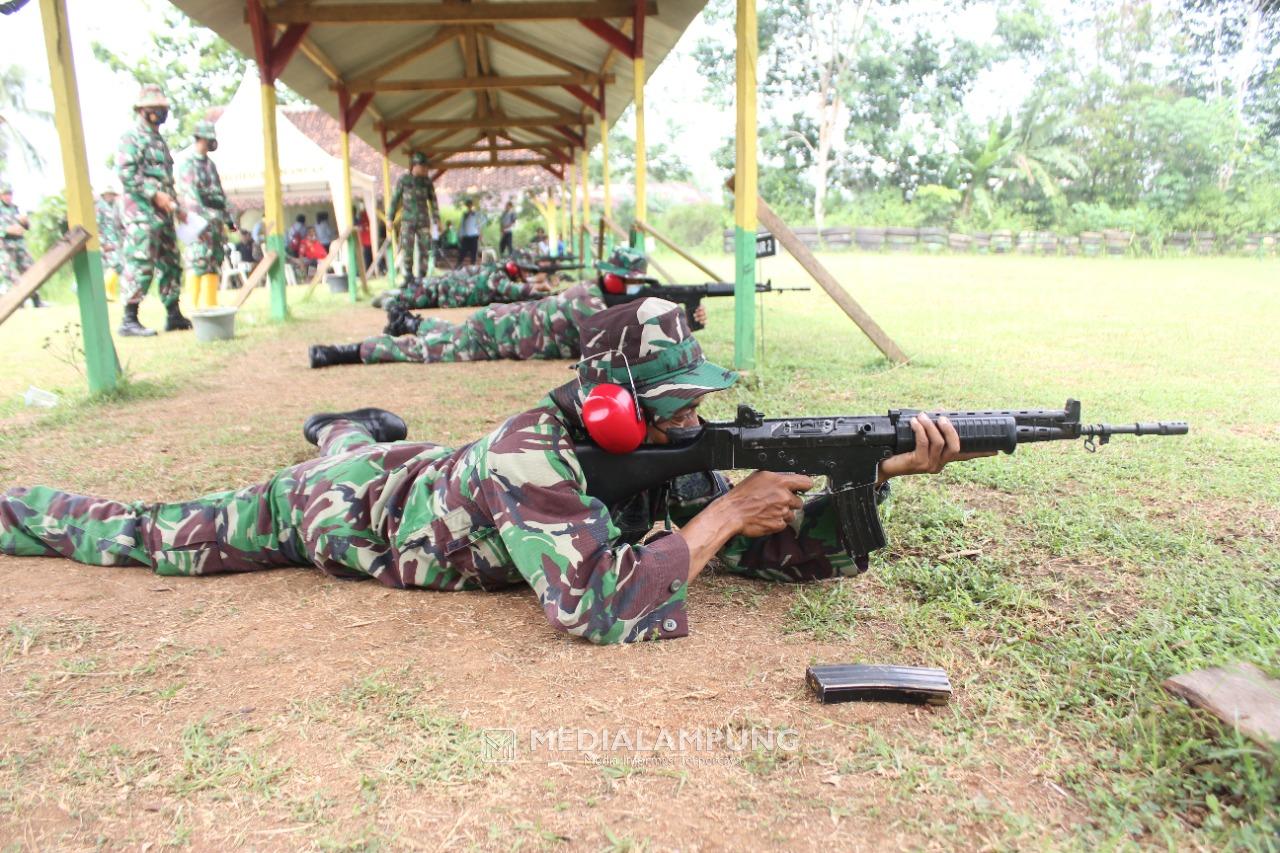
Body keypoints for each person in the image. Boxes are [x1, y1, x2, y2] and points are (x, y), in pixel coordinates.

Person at [0, 298, 981, 644]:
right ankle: (17, 507)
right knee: (161, 535)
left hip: (427, 473)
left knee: (376, 452)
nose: (695, 417)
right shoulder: (531, 455)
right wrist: (723, 515)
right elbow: (596, 608)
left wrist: (874, 472)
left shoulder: (651, 450)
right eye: (675, 402)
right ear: (612, 404)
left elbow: (774, 556)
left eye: (696, 398)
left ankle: (348, 431)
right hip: (344, 511)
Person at [307, 246, 698, 368]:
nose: (630, 288)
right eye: (627, 282)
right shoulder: (588, 304)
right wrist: (677, 321)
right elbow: (621, 344)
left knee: (449, 334)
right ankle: (340, 352)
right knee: (419, 352)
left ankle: (410, 322)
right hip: (494, 336)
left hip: (493, 323)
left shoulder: (592, 295)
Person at [115, 84, 188, 336]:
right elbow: (127, 174)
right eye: (155, 108)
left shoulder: (160, 142)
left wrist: (176, 205)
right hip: (141, 213)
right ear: (142, 110)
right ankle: (129, 319)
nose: (161, 112)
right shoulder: (131, 138)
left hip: (164, 214)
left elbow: (166, 180)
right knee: (141, 261)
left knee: (171, 263)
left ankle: (174, 314)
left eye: (162, 107)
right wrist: (154, 195)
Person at [176, 120, 231, 309]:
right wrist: (207, 216)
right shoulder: (188, 164)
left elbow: (219, 194)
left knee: (214, 261)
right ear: (199, 138)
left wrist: (227, 219)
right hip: (197, 223)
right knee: (198, 261)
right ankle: (193, 306)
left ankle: (210, 305)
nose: (210, 143)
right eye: (207, 139)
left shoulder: (210, 165)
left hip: (215, 223)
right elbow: (190, 197)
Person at [378, 258, 555, 315]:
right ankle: (388, 299)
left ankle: (394, 295)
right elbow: (515, 291)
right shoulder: (497, 277)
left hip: (445, 293)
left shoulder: (495, 274)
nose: (526, 277)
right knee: (407, 300)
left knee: (416, 294)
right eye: (525, 273)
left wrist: (544, 292)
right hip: (441, 292)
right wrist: (539, 289)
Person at [389, 151, 439, 276]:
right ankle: (408, 277)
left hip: (423, 221)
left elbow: (433, 201)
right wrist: (390, 218)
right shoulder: (404, 180)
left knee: (425, 249)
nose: (426, 169)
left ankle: (422, 277)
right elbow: (395, 199)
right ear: (415, 166)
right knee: (407, 249)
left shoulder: (427, 182)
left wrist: (436, 219)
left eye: (426, 166)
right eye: (423, 166)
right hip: (408, 221)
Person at [0, 180, 42, 308]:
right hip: (5, 247)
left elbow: (26, 226)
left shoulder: (15, 208)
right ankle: (17, 304)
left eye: (10, 194)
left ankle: (36, 300)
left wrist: (25, 222)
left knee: (30, 271)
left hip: (19, 245)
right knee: (11, 275)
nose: (8, 196)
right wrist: (6, 230)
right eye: (5, 194)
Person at [94, 184, 123, 302]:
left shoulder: (114, 206)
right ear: (104, 195)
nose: (110, 196)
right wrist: (102, 243)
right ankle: (105, 292)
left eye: (112, 194)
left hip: (115, 242)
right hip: (106, 242)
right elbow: (96, 226)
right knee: (115, 264)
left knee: (116, 266)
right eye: (108, 194)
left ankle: (109, 293)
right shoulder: (100, 208)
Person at [458, 199, 482, 266]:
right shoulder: (464, 214)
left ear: (472, 205)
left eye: (470, 205)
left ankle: (473, 265)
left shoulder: (476, 214)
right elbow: (462, 225)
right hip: (466, 236)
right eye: (468, 205)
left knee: (473, 251)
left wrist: (480, 234)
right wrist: (460, 234)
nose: (469, 206)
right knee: (463, 251)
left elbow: (479, 224)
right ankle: (459, 264)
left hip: (474, 235)